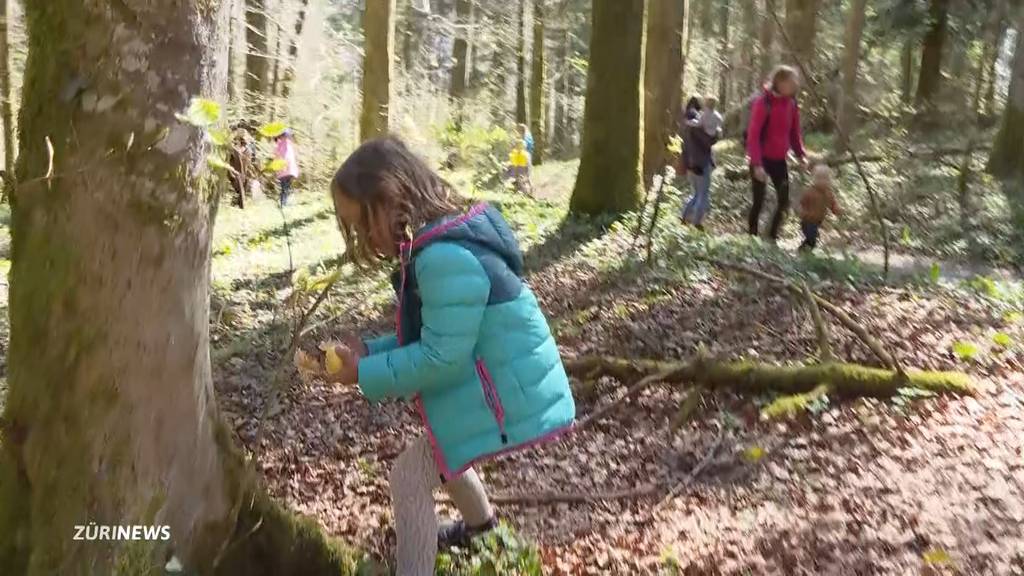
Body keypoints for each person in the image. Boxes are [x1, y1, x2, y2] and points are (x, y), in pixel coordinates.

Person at [326, 136, 576, 575]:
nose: (362, 239)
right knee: (445, 441)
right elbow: (434, 336)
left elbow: (442, 358)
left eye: (362, 223)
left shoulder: (442, 257)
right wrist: (370, 352)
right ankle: (482, 527)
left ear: (389, 198)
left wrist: (364, 372)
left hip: (509, 397)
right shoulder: (443, 240)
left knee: (408, 477)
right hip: (504, 384)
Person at [746, 65, 809, 243]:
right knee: (758, 200)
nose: (795, 84)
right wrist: (757, 164)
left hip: (779, 160)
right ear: (780, 82)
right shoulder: (763, 103)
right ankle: (752, 239)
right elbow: (754, 135)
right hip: (761, 159)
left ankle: (771, 239)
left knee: (784, 201)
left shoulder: (792, 104)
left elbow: (794, 133)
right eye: (791, 81)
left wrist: (800, 155)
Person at [680, 95, 719, 229]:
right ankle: (697, 222)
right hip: (701, 162)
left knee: (696, 193)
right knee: (703, 194)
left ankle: (684, 218)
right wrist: (716, 134)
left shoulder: (685, 123)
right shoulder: (696, 123)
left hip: (690, 162)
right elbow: (707, 142)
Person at [799, 163, 842, 252]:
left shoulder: (829, 193)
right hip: (807, 221)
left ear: (829, 180)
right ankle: (803, 251)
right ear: (814, 179)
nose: (822, 181)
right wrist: (803, 213)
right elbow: (801, 204)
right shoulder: (809, 192)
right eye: (819, 178)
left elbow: (833, 204)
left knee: (813, 239)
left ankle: (804, 251)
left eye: (825, 178)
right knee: (812, 237)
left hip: (818, 221)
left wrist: (837, 209)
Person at [274, 128, 300, 206]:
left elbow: (290, 158)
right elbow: (283, 158)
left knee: (286, 187)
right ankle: (283, 204)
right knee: (285, 188)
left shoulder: (284, 145)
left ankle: (284, 203)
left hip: (287, 170)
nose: (287, 137)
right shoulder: (284, 145)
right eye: (286, 136)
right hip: (286, 170)